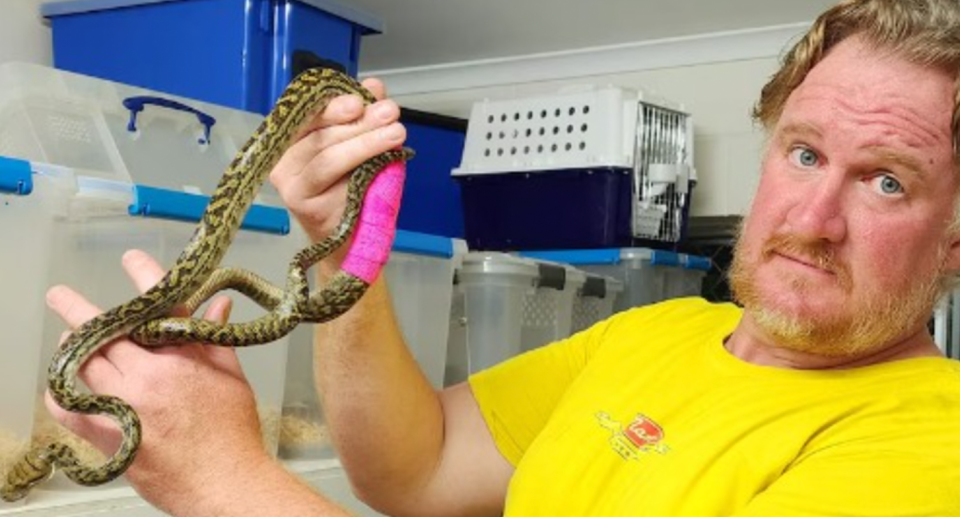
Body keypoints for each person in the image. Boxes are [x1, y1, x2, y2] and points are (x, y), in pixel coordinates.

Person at [43, 0, 960, 515]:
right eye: (804, 153)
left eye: (887, 181)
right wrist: (345, 240)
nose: (815, 215)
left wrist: (219, 479)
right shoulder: (659, 335)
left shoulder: (935, 450)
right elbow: (418, 466)